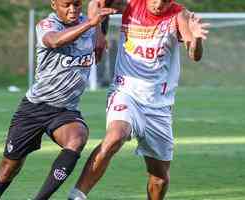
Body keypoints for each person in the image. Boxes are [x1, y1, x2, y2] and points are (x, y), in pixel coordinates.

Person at [68, 0, 209, 199]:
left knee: (159, 178)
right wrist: (98, 33)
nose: (159, 4)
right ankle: (76, 196)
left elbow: (194, 55)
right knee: (115, 136)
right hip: (126, 92)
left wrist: (196, 39)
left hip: (159, 105)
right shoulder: (130, 4)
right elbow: (95, 3)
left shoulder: (180, 15)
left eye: (165, 1)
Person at [0, 0, 116, 199]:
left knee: (77, 138)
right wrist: (90, 24)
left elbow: (97, 50)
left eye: (77, 4)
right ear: (54, 4)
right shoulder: (47, 25)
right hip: (35, 108)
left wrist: (98, 29)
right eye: (67, 4)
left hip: (65, 110)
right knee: (9, 167)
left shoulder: (90, 24)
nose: (72, 9)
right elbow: (54, 41)